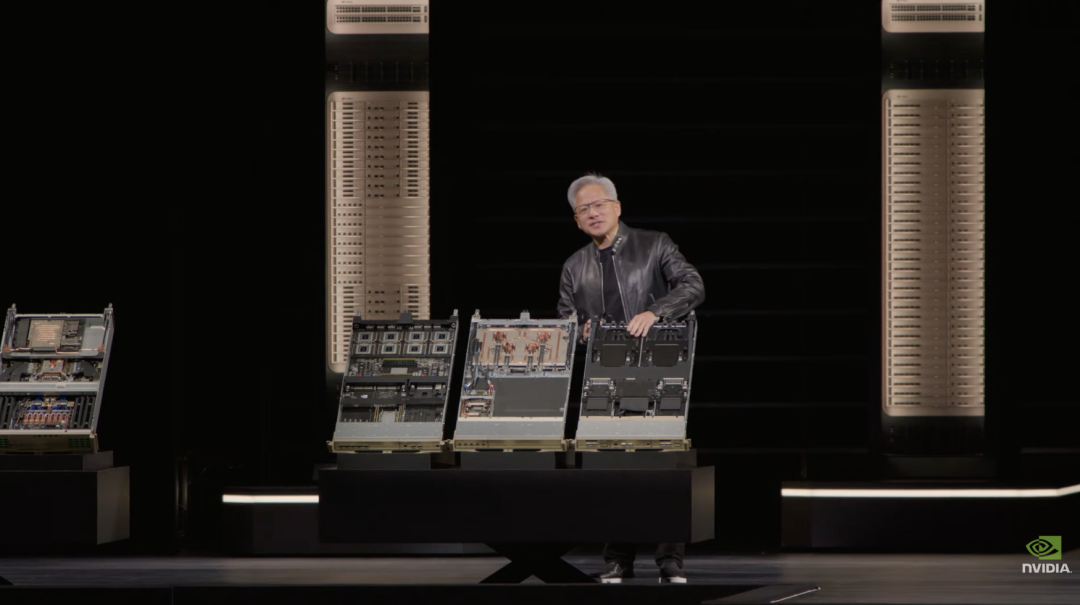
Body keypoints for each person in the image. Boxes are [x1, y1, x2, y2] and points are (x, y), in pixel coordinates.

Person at [556, 173, 705, 584]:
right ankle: (618, 559)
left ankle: (669, 560)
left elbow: (693, 284)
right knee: (612, 467)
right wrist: (581, 331)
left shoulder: (654, 244)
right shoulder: (574, 266)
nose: (593, 213)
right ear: (576, 220)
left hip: (661, 368)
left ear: (617, 206)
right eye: (584, 209)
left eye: (599, 204)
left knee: (665, 465)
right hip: (606, 375)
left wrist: (656, 311)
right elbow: (566, 321)